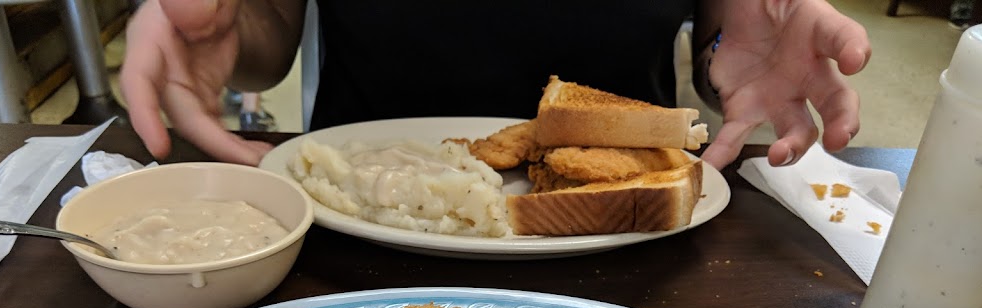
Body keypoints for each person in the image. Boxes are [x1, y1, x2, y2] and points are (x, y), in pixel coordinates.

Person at [119, 0, 871, 171]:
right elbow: (271, 35)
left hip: (625, 219)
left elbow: (719, 38)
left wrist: (735, 44)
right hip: (357, 203)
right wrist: (219, 32)